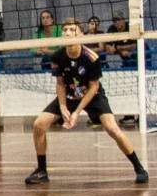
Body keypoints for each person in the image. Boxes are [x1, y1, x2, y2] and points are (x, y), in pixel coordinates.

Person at [25, 18, 148, 185]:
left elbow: (93, 87)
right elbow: (60, 84)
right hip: (70, 95)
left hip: (92, 95)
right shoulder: (57, 56)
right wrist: (63, 106)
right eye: (65, 30)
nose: (68, 33)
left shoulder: (91, 57)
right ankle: (41, 171)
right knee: (39, 124)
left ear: (80, 34)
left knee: (112, 129)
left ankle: (139, 168)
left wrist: (76, 113)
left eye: (72, 29)